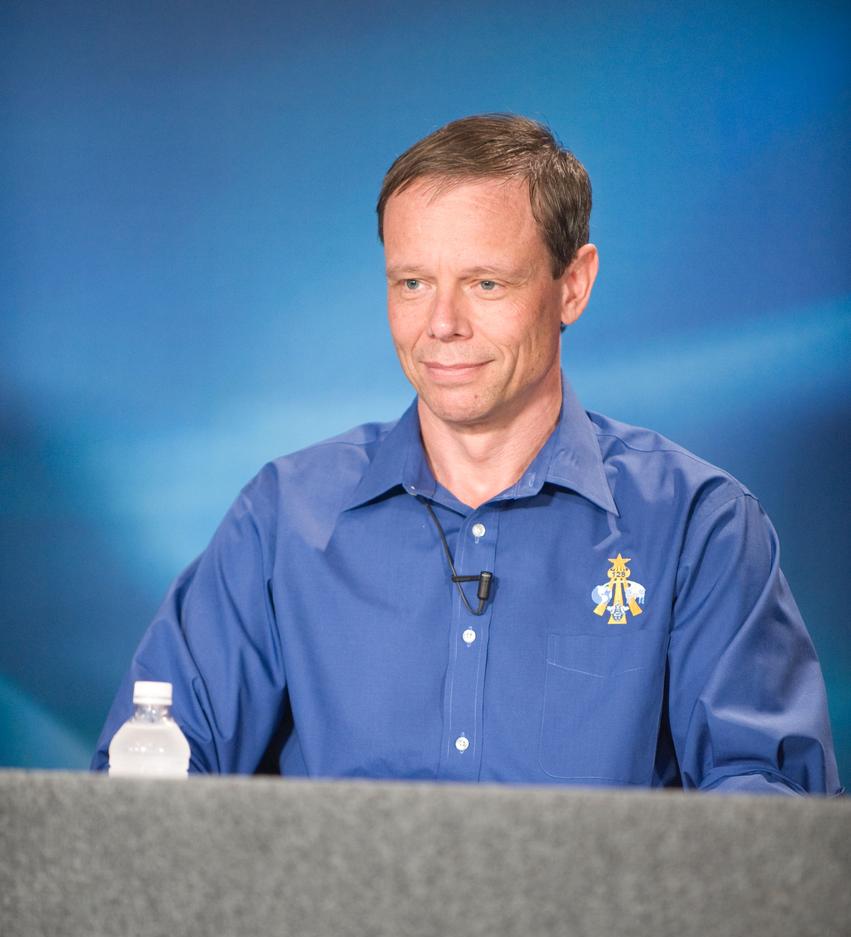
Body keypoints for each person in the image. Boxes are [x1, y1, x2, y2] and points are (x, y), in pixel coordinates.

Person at [92, 114, 840, 794]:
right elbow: (145, 782)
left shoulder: (698, 527)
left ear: (572, 286)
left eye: (485, 283)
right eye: (413, 282)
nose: (441, 324)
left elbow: (767, 815)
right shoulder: (283, 518)